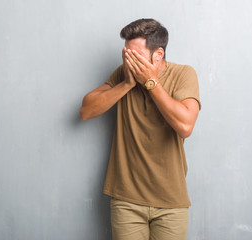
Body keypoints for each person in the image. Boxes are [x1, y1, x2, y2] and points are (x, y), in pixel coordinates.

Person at [80, 18, 201, 240]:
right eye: (126, 55)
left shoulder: (184, 74)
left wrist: (150, 82)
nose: (129, 62)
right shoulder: (123, 74)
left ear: (158, 54)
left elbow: (185, 126)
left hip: (171, 202)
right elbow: (86, 110)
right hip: (126, 199)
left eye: (135, 56)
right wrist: (126, 85)